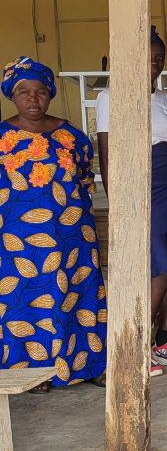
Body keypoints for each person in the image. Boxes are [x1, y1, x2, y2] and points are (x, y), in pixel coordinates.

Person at [0, 57, 106, 390]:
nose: (33, 99)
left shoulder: (72, 136)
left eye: (41, 92)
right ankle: (32, 373)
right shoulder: (1, 138)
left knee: (78, 295)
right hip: (17, 239)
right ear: (12, 95)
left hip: (72, 234)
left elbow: (85, 179)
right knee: (25, 300)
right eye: (24, 92)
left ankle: (88, 365)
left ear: (50, 94)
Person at [96, 28, 167, 376]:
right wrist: (118, 202)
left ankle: (163, 342)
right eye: (147, 57)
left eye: (158, 58)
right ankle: (135, 347)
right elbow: (106, 154)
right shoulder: (110, 96)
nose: (153, 63)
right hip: (134, 182)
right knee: (159, 264)